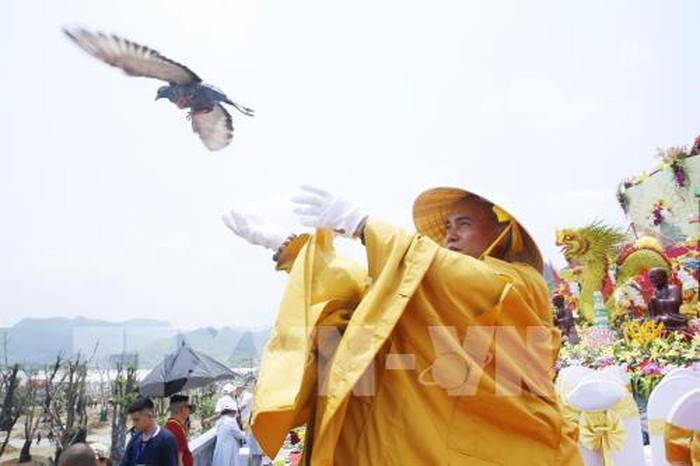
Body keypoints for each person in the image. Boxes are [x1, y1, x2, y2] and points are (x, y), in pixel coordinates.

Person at [223, 185, 582, 465]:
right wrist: (290, 248)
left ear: (502, 234)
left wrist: (364, 226)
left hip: (505, 449)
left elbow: (462, 280)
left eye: (465, 224)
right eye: (448, 227)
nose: (450, 235)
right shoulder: (431, 294)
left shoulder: (519, 283)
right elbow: (363, 296)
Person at [119, 397, 179, 466]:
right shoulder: (135, 439)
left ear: (149, 416)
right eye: (133, 420)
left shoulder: (167, 439)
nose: (134, 424)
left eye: (137, 420)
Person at [648, 267, 688, 331]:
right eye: (650, 277)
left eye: (654, 277)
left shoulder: (673, 288)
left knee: (663, 320)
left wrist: (657, 301)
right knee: (641, 321)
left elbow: (675, 302)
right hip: (657, 316)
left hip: (673, 316)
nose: (652, 280)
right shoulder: (656, 291)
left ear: (663, 277)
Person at [211, 400, 246, 466]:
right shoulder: (231, 421)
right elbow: (239, 435)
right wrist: (246, 433)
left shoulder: (220, 421)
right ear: (233, 412)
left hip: (221, 448)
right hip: (229, 449)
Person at [165, 394, 195, 466]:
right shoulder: (176, 430)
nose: (189, 411)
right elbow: (178, 461)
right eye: (188, 407)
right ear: (182, 409)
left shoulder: (169, 425)